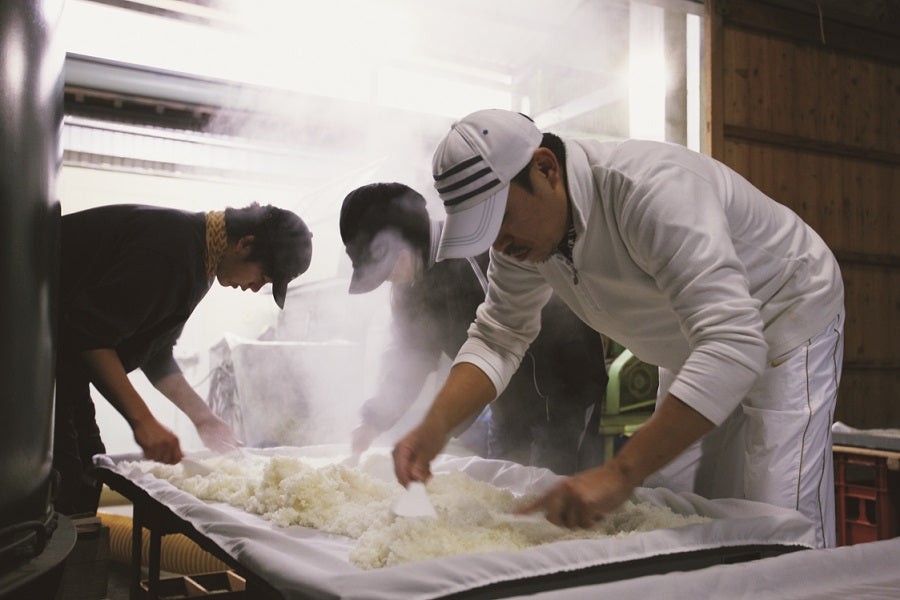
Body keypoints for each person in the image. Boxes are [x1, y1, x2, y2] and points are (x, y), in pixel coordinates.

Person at [393, 109, 844, 548]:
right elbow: (498, 337)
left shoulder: (652, 190)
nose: (499, 244)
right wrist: (434, 427)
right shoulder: (520, 245)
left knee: (778, 515)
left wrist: (618, 473)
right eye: (484, 232)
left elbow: (733, 343)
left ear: (546, 168)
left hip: (784, 315)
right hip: (695, 342)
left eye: (501, 219)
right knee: (673, 510)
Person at [54, 202, 313, 515]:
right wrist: (143, 421)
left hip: (61, 369)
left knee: (86, 468)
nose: (255, 287)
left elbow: (156, 352)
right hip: (26, 359)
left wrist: (204, 418)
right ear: (245, 244)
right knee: (67, 480)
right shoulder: (172, 251)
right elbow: (88, 335)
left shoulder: (197, 255)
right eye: (264, 276)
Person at [340, 182, 607, 473]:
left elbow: (500, 342)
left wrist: (441, 425)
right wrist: (373, 421)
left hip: (562, 389)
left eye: (387, 267)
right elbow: (411, 360)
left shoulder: (476, 251)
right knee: (503, 492)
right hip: (503, 399)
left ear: (406, 243)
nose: (389, 279)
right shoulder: (410, 286)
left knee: (554, 488)